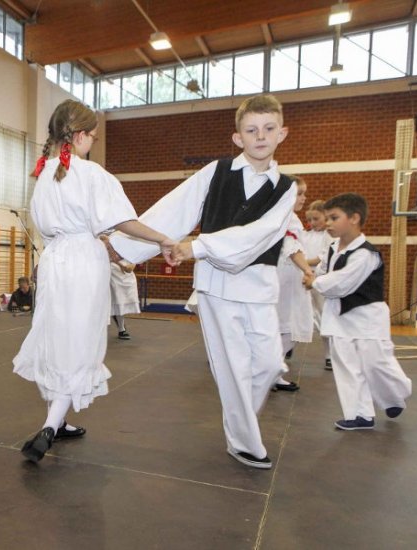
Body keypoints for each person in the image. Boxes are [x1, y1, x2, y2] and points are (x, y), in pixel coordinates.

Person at [110, 94, 296, 470]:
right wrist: (123, 248)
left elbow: (262, 233)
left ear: (282, 134)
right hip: (216, 286)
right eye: (251, 129)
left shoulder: (287, 188)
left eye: (268, 129)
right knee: (231, 367)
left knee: (270, 364)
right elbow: (175, 207)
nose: (260, 136)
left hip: (259, 286)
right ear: (237, 137)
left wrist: (197, 246)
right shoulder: (217, 171)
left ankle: (240, 424)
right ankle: (245, 442)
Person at [13, 99, 175, 463]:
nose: (94, 143)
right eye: (94, 137)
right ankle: (51, 426)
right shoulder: (91, 174)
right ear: (81, 135)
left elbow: (52, 226)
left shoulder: (41, 177)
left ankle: (61, 418)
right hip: (85, 261)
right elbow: (123, 221)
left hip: (55, 260)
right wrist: (162, 238)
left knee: (59, 337)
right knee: (81, 341)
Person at [304, 193, 412, 430]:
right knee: (346, 365)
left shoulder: (365, 253)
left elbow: (343, 283)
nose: (328, 223)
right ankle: (359, 414)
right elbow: (323, 270)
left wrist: (316, 282)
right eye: (327, 218)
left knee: (376, 363)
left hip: (367, 317)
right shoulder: (332, 248)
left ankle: (397, 394)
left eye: (334, 218)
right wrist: (315, 276)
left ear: (354, 218)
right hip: (339, 317)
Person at [273, 176, 313, 392]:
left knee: (288, 330)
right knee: (286, 328)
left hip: (289, 279)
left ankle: (274, 372)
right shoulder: (286, 218)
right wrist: (307, 269)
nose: (304, 198)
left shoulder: (292, 218)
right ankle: (269, 371)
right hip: (285, 280)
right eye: (300, 193)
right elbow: (291, 247)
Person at [302, 199, 334, 370]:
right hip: (304, 278)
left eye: (316, 219)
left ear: (325, 217)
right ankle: (289, 345)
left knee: (323, 315)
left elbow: (321, 258)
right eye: (310, 220)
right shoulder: (305, 235)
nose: (312, 223)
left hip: (319, 280)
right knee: (300, 312)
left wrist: (301, 263)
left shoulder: (329, 237)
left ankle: (329, 354)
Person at [108, 252, 140, 340]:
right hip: (110, 276)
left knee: (119, 303)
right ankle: (120, 328)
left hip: (124, 278)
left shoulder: (131, 254)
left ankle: (121, 329)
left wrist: (117, 262)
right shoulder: (108, 249)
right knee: (111, 302)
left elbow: (129, 269)